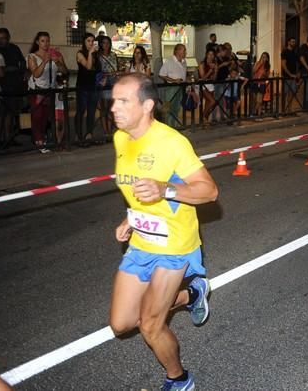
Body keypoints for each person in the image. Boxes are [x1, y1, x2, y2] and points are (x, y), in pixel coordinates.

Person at [108, 73, 218, 391]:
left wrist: (166, 189)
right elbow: (135, 186)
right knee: (121, 323)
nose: (113, 107)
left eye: (123, 101)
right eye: (113, 100)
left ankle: (179, 379)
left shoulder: (172, 143)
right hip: (142, 241)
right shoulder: (121, 139)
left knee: (150, 324)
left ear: (148, 105)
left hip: (174, 245)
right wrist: (131, 218)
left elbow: (209, 191)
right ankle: (193, 293)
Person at [27, 32, 67, 153]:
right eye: (43, 41)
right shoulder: (32, 56)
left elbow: (64, 71)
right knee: (37, 116)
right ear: (37, 42)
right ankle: (39, 142)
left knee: (45, 116)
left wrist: (58, 61)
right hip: (37, 90)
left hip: (50, 90)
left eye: (47, 41)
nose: (46, 43)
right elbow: (36, 73)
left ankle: (42, 139)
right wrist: (44, 61)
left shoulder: (55, 55)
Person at [0, 28, 26, 147]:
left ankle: (8, 137)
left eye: (2, 38)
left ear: (8, 37)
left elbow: (22, 62)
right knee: (0, 113)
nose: (0, 41)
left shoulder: (14, 48)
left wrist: (20, 70)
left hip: (14, 84)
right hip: (1, 85)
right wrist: (9, 69)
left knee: (10, 112)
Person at [74, 33, 100, 146]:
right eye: (88, 41)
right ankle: (78, 136)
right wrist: (90, 53)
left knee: (91, 111)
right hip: (83, 86)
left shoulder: (96, 55)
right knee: (81, 110)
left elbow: (97, 70)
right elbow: (88, 67)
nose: (91, 43)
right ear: (84, 42)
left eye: (92, 41)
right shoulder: (80, 54)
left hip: (93, 86)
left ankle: (89, 134)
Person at [159, 44, 188, 127]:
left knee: (177, 107)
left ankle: (174, 125)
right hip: (171, 88)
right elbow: (161, 74)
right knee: (168, 108)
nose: (185, 52)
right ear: (177, 51)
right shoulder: (169, 61)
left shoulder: (184, 61)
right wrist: (174, 80)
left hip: (181, 87)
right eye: (184, 50)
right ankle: (168, 126)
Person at [97, 35, 120, 140]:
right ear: (100, 44)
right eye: (104, 43)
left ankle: (110, 130)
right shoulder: (98, 56)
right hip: (104, 81)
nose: (106, 45)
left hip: (113, 81)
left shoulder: (113, 55)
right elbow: (97, 70)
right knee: (104, 107)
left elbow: (116, 67)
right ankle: (105, 130)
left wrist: (116, 73)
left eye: (108, 43)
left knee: (111, 107)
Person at [197, 49, 218, 124]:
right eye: (209, 54)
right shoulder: (202, 64)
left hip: (210, 85)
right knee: (212, 101)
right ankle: (203, 116)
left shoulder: (214, 64)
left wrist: (215, 70)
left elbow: (214, 78)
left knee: (209, 103)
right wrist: (210, 70)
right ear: (206, 55)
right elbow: (203, 77)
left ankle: (205, 119)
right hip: (203, 85)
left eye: (212, 55)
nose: (211, 56)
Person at [280, 37, 300, 113]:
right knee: (285, 93)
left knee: (292, 93)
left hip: (293, 76)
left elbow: (297, 63)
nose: (293, 43)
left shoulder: (295, 52)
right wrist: (290, 74)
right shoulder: (285, 52)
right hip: (287, 76)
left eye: (294, 42)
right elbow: (283, 65)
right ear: (288, 42)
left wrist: (297, 73)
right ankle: (283, 110)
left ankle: (290, 109)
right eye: (292, 42)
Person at [251, 52, 271, 116]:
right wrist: (260, 64)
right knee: (254, 100)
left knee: (259, 101)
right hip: (255, 83)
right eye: (263, 57)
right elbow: (253, 71)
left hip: (262, 83)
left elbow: (267, 76)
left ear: (267, 59)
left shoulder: (268, 66)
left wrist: (264, 74)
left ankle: (255, 113)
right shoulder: (257, 63)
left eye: (265, 57)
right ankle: (257, 113)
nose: (264, 58)